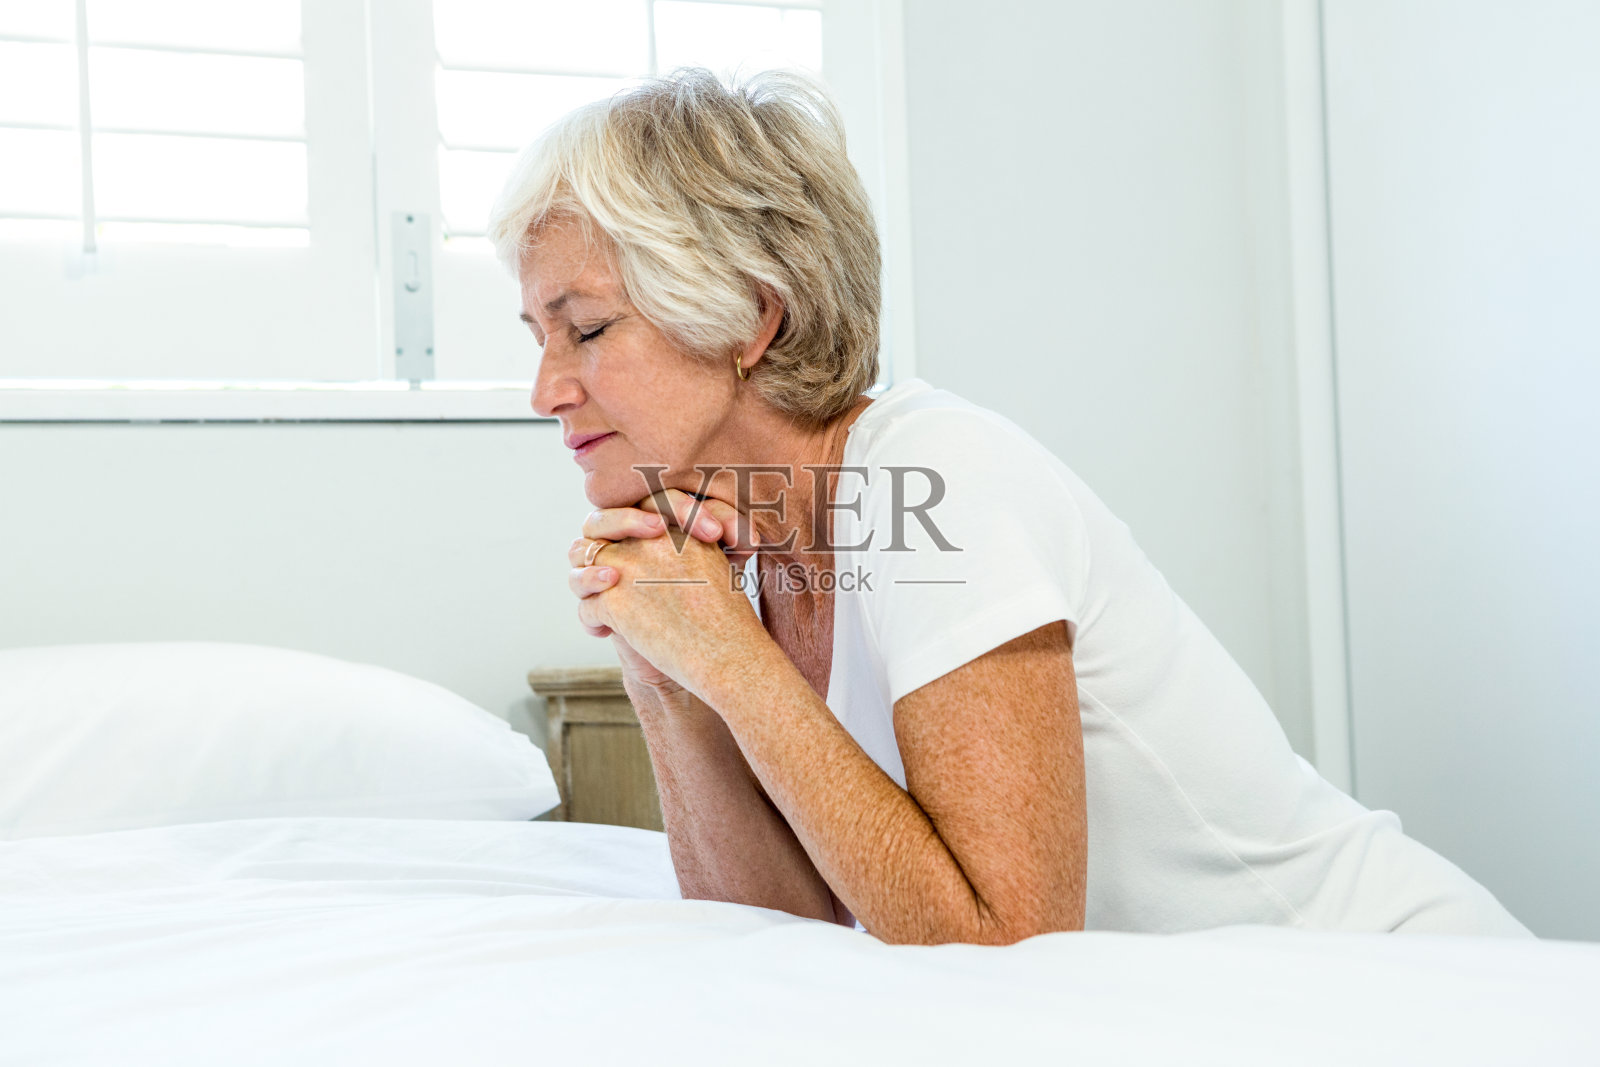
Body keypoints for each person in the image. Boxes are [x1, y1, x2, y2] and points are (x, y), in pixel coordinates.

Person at [487, 68, 1529, 945]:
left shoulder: (939, 476)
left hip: (1393, 993)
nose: (547, 391)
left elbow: (1006, 945)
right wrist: (665, 671)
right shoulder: (747, 536)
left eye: (583, 329)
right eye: (537, 337)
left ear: (753, 315)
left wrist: (727, 659)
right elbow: (779, 935)